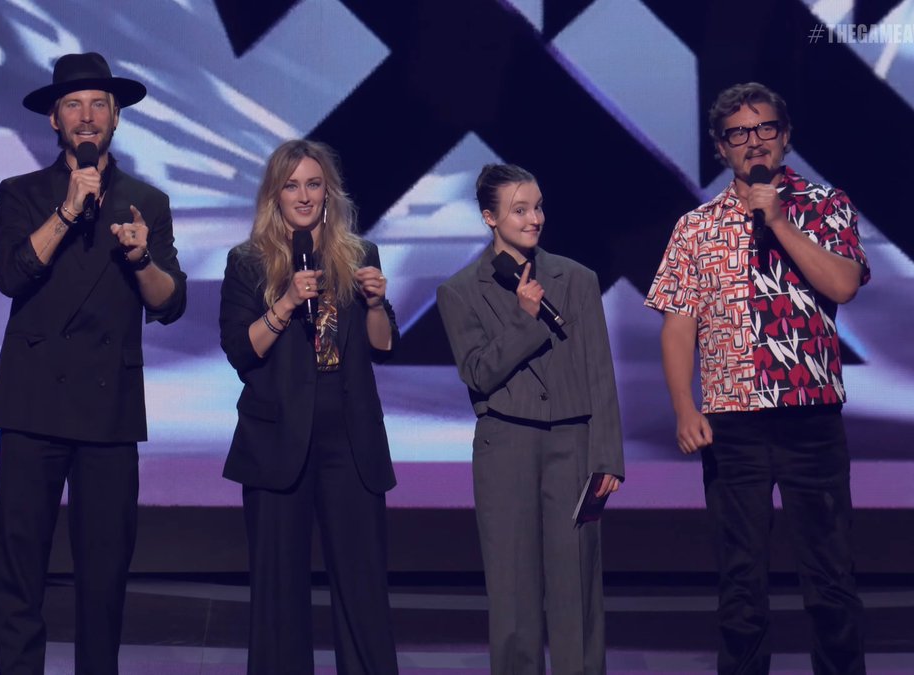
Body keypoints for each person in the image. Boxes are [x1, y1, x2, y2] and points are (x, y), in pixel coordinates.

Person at [645, 82, 869, 674]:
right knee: (740, 587)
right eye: (739, 134)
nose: (754, 142)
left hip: (811, 418)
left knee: (831, 582)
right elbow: (677, 325)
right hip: (732, 426)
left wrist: (779, 222)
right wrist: (683, 407)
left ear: (785, 136)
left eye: (765, 128)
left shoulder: (825, 206)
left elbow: (844, 284)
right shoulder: (696, 227)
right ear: (722, 148)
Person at [0, 52, 187, 674]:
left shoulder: (145, 202)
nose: (87, 116)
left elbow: (172, 302)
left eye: (99, 104)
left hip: (109, 410)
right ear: (54, 120)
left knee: (103, 580)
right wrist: (69, 211)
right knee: (21, 571)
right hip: (32, 405)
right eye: (73, 104)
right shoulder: (20, 194)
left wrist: (139, 260)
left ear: (117, 119)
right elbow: (9, 275)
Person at [219, 139, 399, 674]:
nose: (304, 195)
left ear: (329, 192)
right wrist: (288, 302)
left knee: (363, 591)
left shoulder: (359, 255)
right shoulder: (249, 261)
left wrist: (374, 303)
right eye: (292, 185)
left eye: (313, 184)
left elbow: (383, 345)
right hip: (277, 441)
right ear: (275, 194)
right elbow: (240, 350)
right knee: (278, 596)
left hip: (350, 439)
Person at [436, 163, 625, 674]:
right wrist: (523, 319)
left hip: (574, 446)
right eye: (519, 209)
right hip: (507, 447)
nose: (534, 218)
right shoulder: (459, 291)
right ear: (489, 218)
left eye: (538, 206)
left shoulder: (576, 279)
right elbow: (477, 372)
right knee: (513, 595)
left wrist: (607, 456)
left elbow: (600, 373)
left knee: (576, 590)